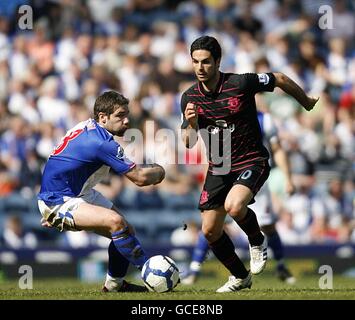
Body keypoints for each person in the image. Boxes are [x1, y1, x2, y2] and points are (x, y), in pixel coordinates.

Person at [180, 36, 318, 292]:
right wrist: (190, 123)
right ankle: (240, 277)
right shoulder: (189, 97)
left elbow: (280, 79)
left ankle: (256, 240)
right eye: (196, 62)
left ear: (218, 62)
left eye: (206, 62)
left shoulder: (240, 83)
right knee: (210, 231)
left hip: (252, 159)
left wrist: (306, 102)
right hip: (219, 166)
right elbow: (187, 143)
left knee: (234, 206)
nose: (200, 67)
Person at [37, 91, 165, 292]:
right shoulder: (101, 142)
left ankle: (114, 285)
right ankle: (149, 270)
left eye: (127, 114)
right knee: (116, 222)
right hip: (59, 199)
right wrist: (160, 171)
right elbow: (140, 179)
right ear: (103, 117)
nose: (127, 120)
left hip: (76, 192)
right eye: (120, 115)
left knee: (126, 230)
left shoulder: (89, 128)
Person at [182, 111, 297, 285]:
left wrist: (288, 178)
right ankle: (195, 269)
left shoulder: (264, 119)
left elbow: (277, 149)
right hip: (223, 176)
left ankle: (281, 266)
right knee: (212, 223)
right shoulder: (217, 111)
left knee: (266, 224)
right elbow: (213, 149)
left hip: (254, 174)